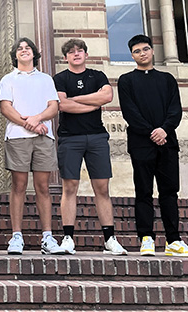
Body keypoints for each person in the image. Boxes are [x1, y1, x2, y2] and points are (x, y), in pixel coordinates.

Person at [118, 34, 188, 257]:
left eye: (145, 49)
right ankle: (146, 239)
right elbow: (130, 113)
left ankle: (173, 240)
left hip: (167, 143)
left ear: (152, 51)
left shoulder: (167, 79)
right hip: (141, 145)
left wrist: (164, 130)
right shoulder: (126, 80)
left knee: (169, 192)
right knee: (143, 191)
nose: (142, 53)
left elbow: (175, 110)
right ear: (132, 55)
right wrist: (152, 132)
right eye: (137, 51)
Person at [54, 38, 127, 255]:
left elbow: (107, 96)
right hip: (69, 138)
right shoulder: (59, 78)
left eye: (80, 51)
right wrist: (92, 102)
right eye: (71, 52)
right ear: (65, 57)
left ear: (86, 54)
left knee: (102, 188)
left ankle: (109, 239)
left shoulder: (98, 76)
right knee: (69, 187)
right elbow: (62, 105)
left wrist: (77, 100)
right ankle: (68, 238)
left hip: (96, 137)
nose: (76, 54)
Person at [0, 37, 64, 255]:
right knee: (18, 185)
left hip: (44, 139)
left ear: (34, 53)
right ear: (15, 55)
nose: (24, 51)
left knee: (43, 187)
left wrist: (36, 119)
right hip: (17, 137)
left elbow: (53, 107)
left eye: (28, 48)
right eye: (20, 48)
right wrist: (31, 124)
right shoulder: (8, 79)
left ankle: (47, 237)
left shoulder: (46, 79)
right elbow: (6, 108)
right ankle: (16, 236)